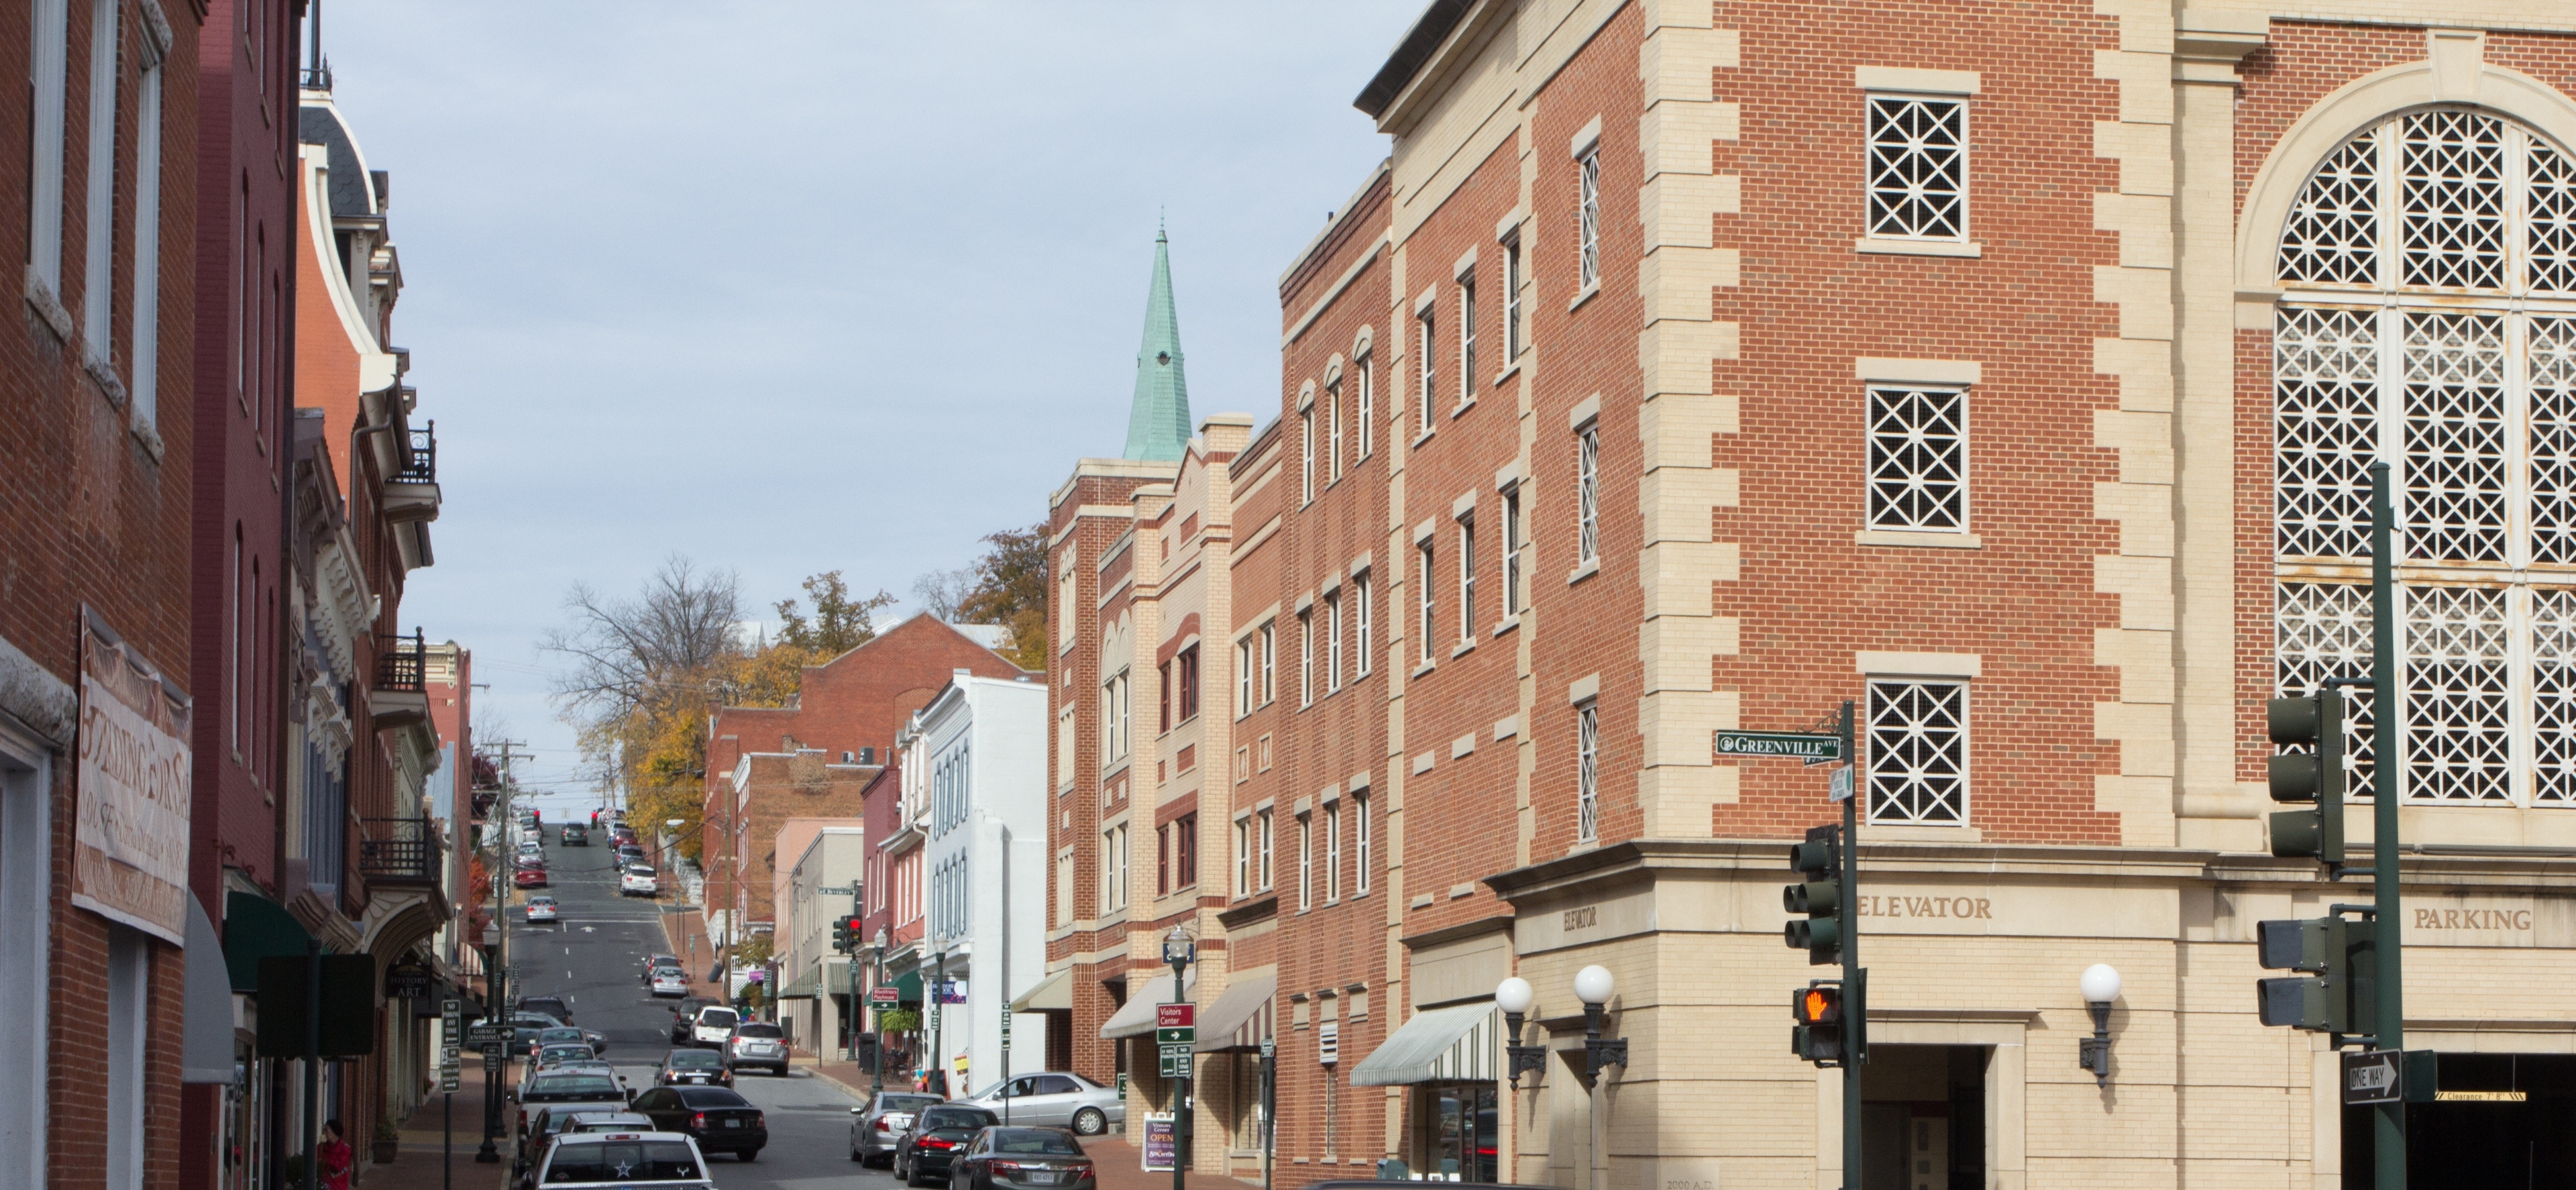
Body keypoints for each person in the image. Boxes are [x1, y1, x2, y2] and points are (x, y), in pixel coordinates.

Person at [317, 1120, 354, 1190]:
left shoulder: (345, 1149)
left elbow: (340, 1166)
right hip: (323, 1184)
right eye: (324, 1130)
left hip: (339, 1185)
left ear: (334, 1132)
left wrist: (325, 1161)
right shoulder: (321, 1148)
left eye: (327, 1130)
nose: (324, 1133)